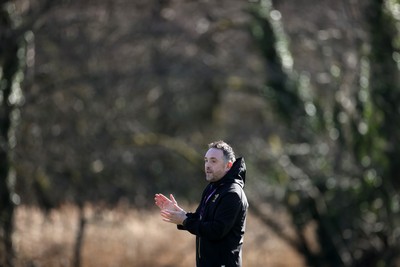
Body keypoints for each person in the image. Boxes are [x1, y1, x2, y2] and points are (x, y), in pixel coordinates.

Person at [154, 140, 248, 267]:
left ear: (228, 166)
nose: (207, 165)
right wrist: (180, 214)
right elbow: (201, 219)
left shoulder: (232, 194)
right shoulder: (212, 188)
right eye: (206, 160)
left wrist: (185, 221)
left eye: (213, 161)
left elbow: (216, 231)